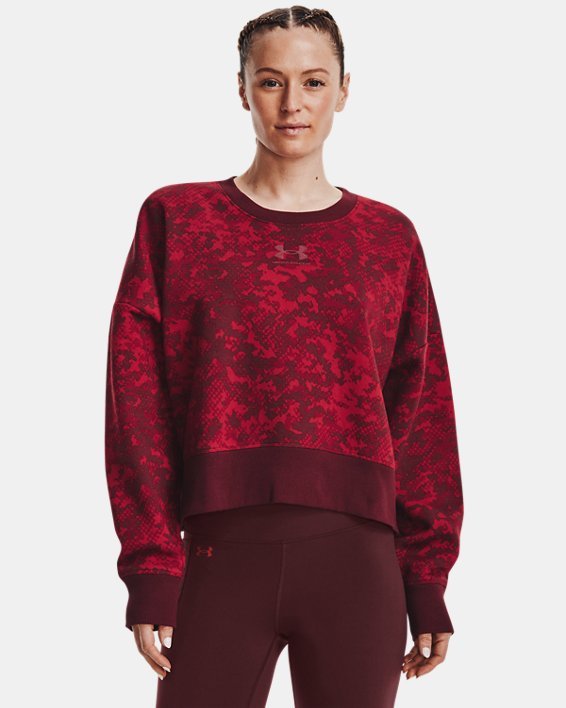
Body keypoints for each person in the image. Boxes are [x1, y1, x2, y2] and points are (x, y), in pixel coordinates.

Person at [104, 6, 464, 707]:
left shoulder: (389, 237)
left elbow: (423, 410)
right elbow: (135, 405)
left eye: (313, 81)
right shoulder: (177, 220)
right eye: (270, 81)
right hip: (217, 556)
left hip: (359, 562)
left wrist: (427, 577)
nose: (292, 103)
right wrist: (151, 564)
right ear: (241, 89)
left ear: (344, 90)